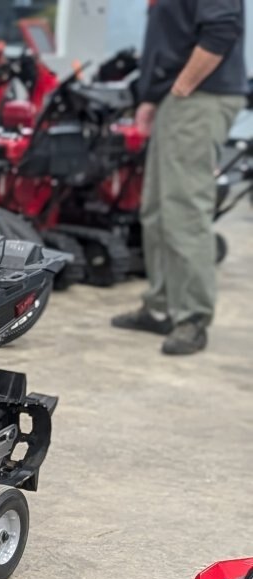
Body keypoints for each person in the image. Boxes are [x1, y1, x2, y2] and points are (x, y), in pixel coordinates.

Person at [111, 0, 245, 356]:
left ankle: (193, 316)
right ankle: (160, 307)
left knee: (183, 209)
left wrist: (182, 87)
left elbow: (222, 29)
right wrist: (152, 99)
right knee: (157, 207)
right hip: (177, 97)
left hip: (200, 96)